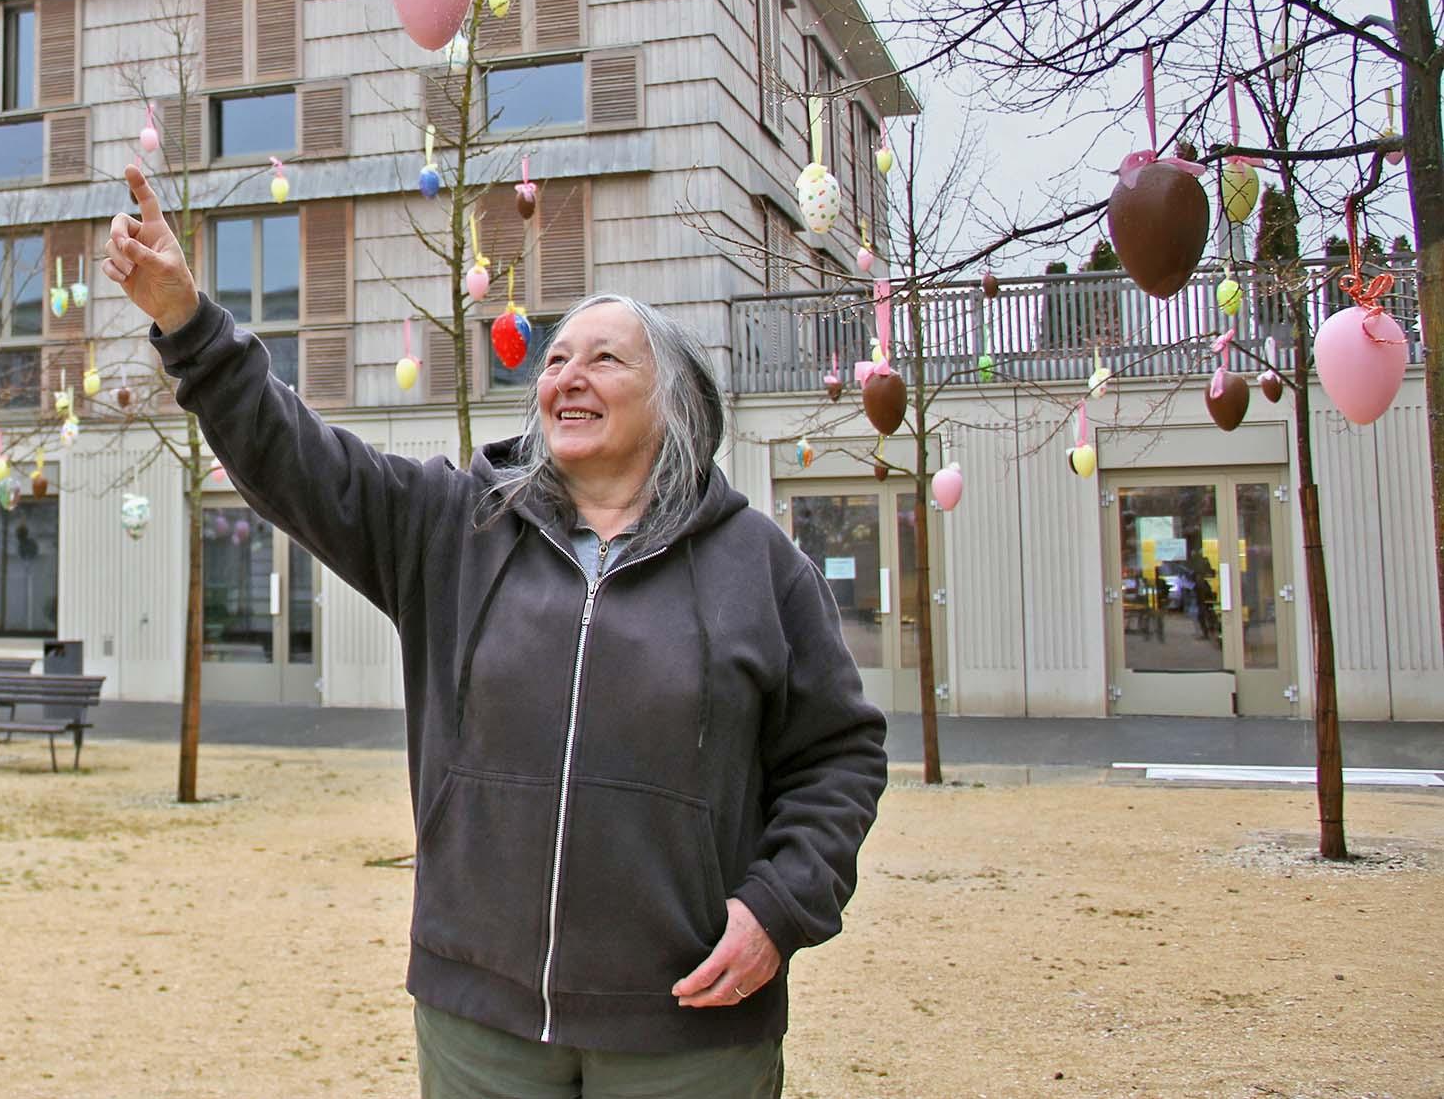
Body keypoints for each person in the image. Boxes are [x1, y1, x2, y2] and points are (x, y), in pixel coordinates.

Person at [103, 165, 888, 1099]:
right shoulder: (454, 525)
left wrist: (778, 908)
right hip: (480, 1017)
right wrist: (190, 323)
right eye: (555, 359)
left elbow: (839, 757)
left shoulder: (758, 564)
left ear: (673, 402)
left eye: (605, 358)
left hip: (687, 1027)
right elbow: (298, 459)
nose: (568, 375)